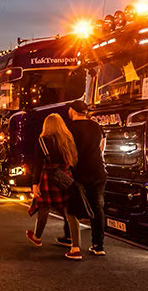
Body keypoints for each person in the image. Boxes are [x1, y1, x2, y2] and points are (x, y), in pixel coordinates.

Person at [26, 113, 90, 260]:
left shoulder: (43, 141)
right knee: (70, 212)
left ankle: (37, 237)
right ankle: (75, 248)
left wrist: (35, 183)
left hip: (48, 177)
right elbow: (74, 161)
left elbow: (38, 164)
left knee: (43, 206)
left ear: (46, 126)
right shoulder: (67, 140)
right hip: (65, 177)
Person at [57, 100, 108, 255]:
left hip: (77, 171)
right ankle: (98, 245)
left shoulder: (68, 128)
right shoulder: (97, 127)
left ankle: (70, 239)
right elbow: (102, 148)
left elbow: (64, 151)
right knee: (97, 206)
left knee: (71, 205)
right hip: (98, 170)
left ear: (72, 111)